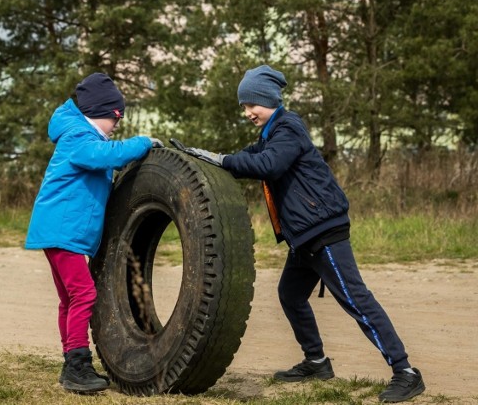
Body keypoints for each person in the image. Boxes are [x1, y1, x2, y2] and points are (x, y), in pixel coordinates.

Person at [180, 65, 425, 403]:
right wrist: (206, 159)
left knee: (355, 298)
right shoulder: (270, 134)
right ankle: (316, 362)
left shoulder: (288, 128)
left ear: (270, 99)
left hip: (323, 230)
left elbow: (268, 166)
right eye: (243, 106)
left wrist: (223, 159)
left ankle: (406, 372)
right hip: (304, 236)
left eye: (252, 104)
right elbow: (247, 159)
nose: (248, 112)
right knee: (290, 294)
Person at [25, 72, 163, 393]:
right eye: (116, 118)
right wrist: (142, 143)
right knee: (84, 294)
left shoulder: (81, 136)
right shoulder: (78, 138)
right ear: (100, 113)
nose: (117, 125)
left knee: (69, 299)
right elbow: (106, 156)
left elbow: (105, 161)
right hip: (62, 232)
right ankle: (77, 364)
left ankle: (70, 361)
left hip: (59, 231)